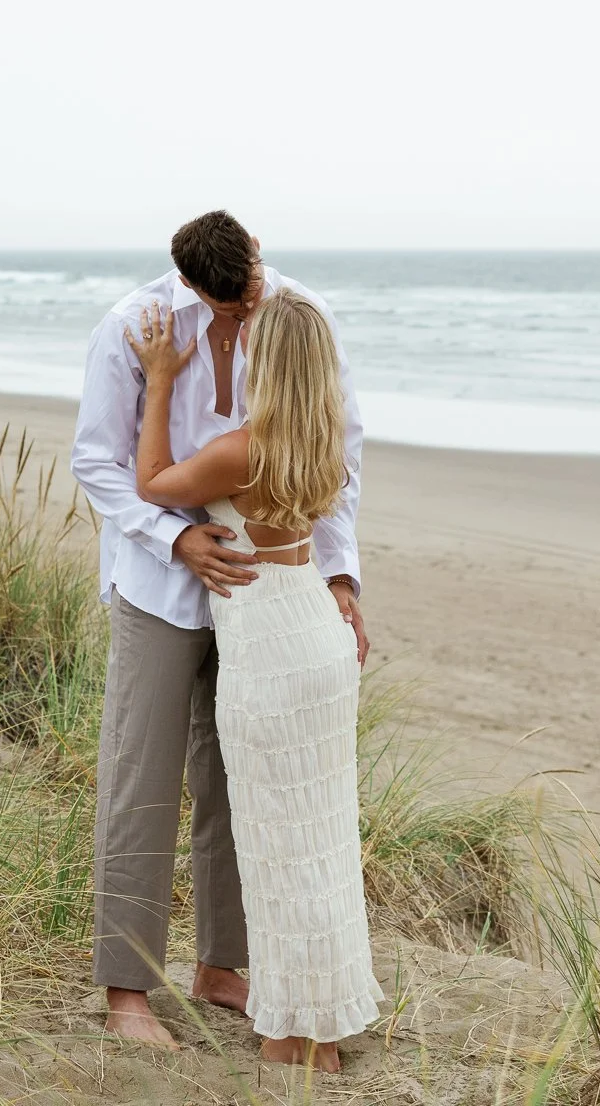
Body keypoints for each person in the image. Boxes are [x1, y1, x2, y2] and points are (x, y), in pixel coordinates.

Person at [69, 209, 368, 1057]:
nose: (247, 314)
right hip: (163, 586)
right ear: (196, 286)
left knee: (245, 786)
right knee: (145, 778)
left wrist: (341, 573)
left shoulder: (298, 312)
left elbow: (341, 448)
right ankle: (128, 989)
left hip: (269, 600)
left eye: (253, 295)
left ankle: (226, 968)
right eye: (231, 307)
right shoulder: (133, 328)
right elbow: (99, 460)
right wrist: (176, 538)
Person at [126, 286, 382, 1070]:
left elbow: (151, 482)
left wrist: (162, 378)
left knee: (274, 848)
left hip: (269, 649)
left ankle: (283, 1035)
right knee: (324, 842)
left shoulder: (244, 448)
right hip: (318, 635)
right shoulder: (323, 445)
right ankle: (323, 1037)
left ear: (267, 362)